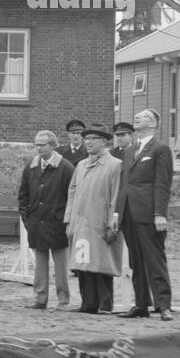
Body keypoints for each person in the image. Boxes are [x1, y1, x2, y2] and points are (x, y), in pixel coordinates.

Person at [111, 108, 173, 320]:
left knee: (154, 259)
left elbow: (162, 184)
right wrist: (118, 213)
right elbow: (124, 184)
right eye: (137, 115)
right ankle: (141, 304)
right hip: (129, 213)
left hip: (148, 213)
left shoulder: (161, 149)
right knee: (135, 261)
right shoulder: (130, 149)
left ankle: (163, 304)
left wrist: (160, 214)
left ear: (154, 124)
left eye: (144, 116)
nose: (137, 117)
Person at [64, 126, 123, 314]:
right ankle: (87, 304)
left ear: (104, 141)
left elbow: (117, 196)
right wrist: (69, 221)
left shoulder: (115, 165)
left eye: (93, 138)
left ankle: (105, 304)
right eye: (86, 138)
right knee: (82, 264)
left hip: (101, 222)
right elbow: (72, 193)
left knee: (101, 263)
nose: (88, 142)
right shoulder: (81, 165)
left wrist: (113, 224)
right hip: (80, 223)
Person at [18, 130, 75, 309]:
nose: (39, 148)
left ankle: (63, 299)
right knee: (40, 265)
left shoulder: (66, 167)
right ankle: (40, 298)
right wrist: (27, 218)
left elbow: (72, 196)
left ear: (52, 145)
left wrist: (65, 219)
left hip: (57, 223)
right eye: (37, 144)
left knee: (61, 266)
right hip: (37, 222)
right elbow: (23, 195)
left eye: (42, 145)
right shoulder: (31, 166)